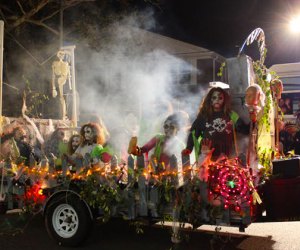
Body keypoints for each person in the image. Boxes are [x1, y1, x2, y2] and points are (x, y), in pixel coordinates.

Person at [182, 87, 249, 162]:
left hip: (226, 157)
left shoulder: (231, 115)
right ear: (210, 100)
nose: (217, 100)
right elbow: (193, 133)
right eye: (214, 97)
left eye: (220, 98)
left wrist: (254, 120)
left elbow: (244, 129)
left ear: (224, 100)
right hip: (207, 156)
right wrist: (189, 147)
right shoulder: (204, 116)